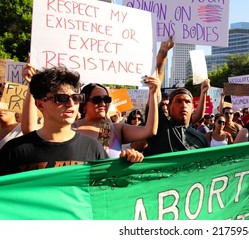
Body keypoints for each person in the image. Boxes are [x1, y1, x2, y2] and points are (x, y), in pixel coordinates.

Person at [0, 67, 142, 176]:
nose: (70, 104)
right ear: (40, 104)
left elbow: (105, 190)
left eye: (76, 98)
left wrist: (127, 164)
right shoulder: (14, 151)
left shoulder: (93, 148)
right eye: (61, 98)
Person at [21, 63, 160, 159]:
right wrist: (31, 87)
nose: (102, 103)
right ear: (83, 103)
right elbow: (29, 128)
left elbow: (150, 131)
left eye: (106, 99)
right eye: (97, 99)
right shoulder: (68, 128)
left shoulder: (115, 129)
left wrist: (153, 94)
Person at [143, 87, 210, 156]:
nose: (183, 105)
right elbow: (154, 99)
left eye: (187, 102)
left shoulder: (201, 139)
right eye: (178, 101)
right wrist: (155, 85)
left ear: (192, 108)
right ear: (169, 107)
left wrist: (203, 92)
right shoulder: (160, 128)